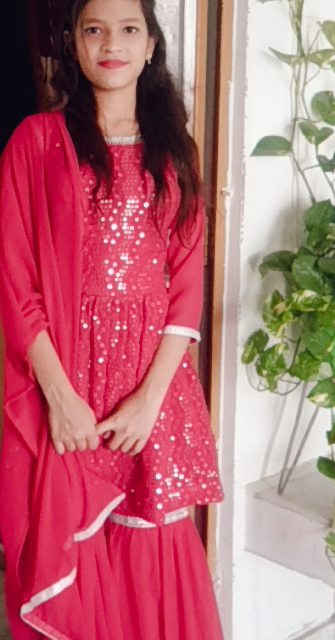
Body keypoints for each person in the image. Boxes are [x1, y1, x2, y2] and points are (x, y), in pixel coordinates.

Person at [0, 0, 224, 638]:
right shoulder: (37, 141)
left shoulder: (175, 150)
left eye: (128, 29)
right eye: (93, 29)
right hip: (70, 377)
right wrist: (60, 398)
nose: (111, 44)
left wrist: (149, 403)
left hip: (151, 384)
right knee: (74, 540)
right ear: (73, 42)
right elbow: (14, 280)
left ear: (150, 45)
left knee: (150, 543)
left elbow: (186, 288)